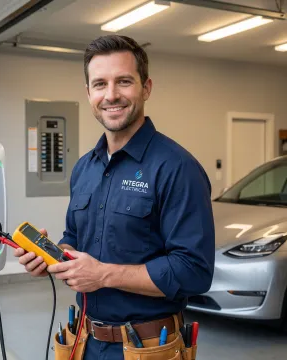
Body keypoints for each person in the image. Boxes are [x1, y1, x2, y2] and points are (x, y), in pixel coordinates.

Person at [15, 35, 215, 359]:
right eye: (100, 84)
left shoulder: (178, 168)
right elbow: (73, 239)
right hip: (83, 340)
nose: (111, 95)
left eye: (123, 82)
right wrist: (54, 256)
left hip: (148, 347)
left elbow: (194, 270)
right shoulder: (84, 168)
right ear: (88, 93)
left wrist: (103, 274)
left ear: (146, 87)